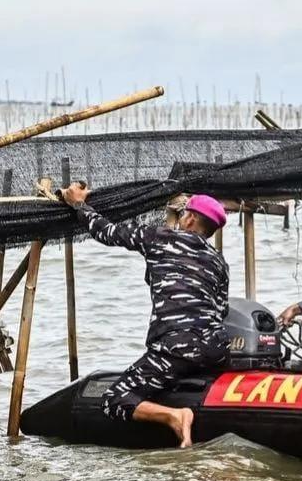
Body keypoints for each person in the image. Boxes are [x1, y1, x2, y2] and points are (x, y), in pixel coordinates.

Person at [60, 184, 229, 448]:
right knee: (183, 365)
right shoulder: (219, 262)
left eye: (184, 213)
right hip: (215, 350)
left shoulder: (159, 237)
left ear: (190, 219)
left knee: (115, 399)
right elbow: (221, 311)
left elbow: (107, 232)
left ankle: (175, 416)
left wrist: (79, 204)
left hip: (175, 349)